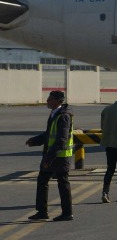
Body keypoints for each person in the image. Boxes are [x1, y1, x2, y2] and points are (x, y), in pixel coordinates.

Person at [26, 90, 75, 222]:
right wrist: (35, 140)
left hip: (60, 157)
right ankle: (42, 211)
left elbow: (62, 140)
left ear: (58, 101)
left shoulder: (63, 116)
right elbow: (49, 134)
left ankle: (67, 213)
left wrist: (48, 158)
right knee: (42, 180)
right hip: (52, 155)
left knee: (63, 183)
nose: (47, 100)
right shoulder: (55, 114)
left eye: (50, 98)